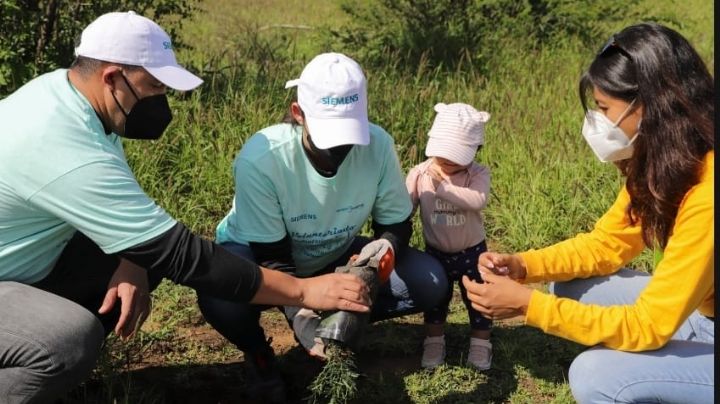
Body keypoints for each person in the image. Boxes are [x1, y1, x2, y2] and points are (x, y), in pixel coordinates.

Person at [0, 12, 370, 404]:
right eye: (155, 86)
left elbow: (141, 226)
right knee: (68, 340)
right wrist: (303, 290)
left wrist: (134, 259)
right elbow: (184, 256)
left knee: (142, 260)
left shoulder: (69, 96)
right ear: (112, 78)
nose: (162, 99)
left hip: (22, 264)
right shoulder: (61, 141)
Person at [463, 22, 714, 403]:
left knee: (596, 375)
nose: (596, 121)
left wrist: (528, 306)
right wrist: (523, 266)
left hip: (693, 320)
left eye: (603, 108)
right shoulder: (668, 160)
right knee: (571, 286)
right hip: (699, 312)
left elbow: (649, 325)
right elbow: (607, 244)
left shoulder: (707, 194)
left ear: (651, 105)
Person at [199, 52, 448, 401]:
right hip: (257, 256)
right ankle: (259, 355)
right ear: (299, 114)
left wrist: (383, 250)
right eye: (330, 135)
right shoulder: (264, 158)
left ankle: (339, 328)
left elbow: (395, 222)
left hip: (334, 253)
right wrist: (300, 314)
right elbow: (273, 258)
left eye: (349, 134)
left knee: (429, 281)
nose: (340, 148)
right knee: (219, 296)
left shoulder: (378, 146)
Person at [406, 102, 493, 370]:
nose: (447, 160)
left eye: (455, 154)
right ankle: (434, 341)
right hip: (436, 252)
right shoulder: (420, 173)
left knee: (478, 299)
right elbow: (404, 207)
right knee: (435, 300)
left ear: (475, 150)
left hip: (472, 251)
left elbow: (477, 200)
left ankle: (481, 345)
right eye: (442, 152)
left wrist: (441, 188)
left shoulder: (477, 174)